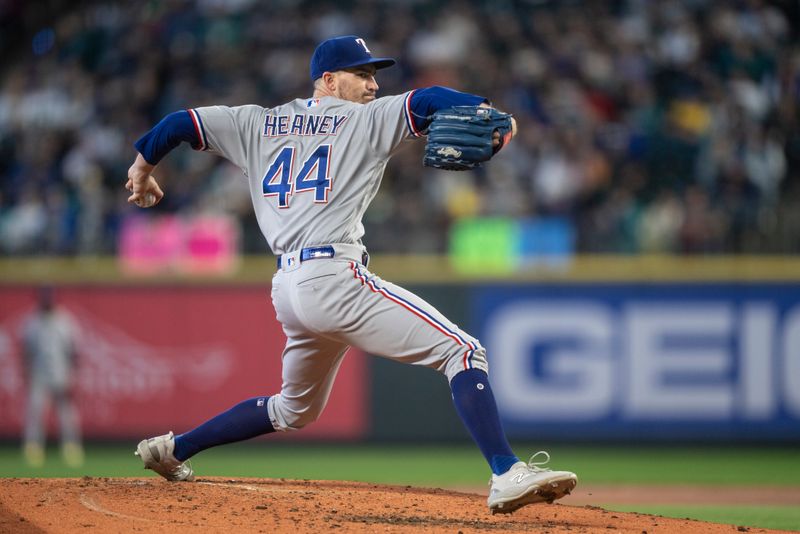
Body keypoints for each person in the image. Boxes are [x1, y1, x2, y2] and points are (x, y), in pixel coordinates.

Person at [129, 35, 577, 513]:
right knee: (463, 351)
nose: (373, 83)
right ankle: (506, 472)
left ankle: (174, 450)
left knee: (293, 409)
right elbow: (427, 100)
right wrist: (492, 113)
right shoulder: (365, 119)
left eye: (374, 74)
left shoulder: (255, 122)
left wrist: (141, 170)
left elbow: (179, 123)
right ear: (328, 80)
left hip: (288, 288)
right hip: (333, 278)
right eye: (361, 74)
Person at [21, 286, 84, 468]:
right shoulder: (32, 320)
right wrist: (26, 373)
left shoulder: (65, 320)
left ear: (54, 297)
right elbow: (26, 351)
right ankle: (33, 450)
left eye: (50, 295)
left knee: (67, 415)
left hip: (61, 373)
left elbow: (74, 350)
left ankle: (71, 449)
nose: (47, 299)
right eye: (44, 295)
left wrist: (74, 376)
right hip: (39, 374)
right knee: (35, 412)